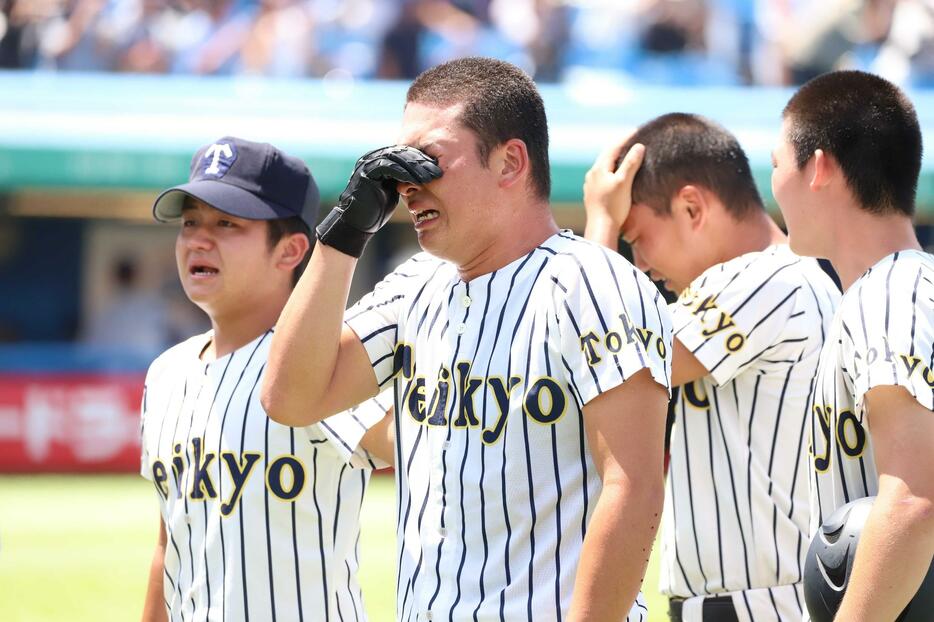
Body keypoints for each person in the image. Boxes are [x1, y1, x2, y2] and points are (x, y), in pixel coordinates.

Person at [262, 57, 673, 622]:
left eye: (426, 161)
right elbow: (290, 397)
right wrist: (345, 232)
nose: (404, 184)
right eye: (396, 164)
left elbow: (635, 486)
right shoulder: (415, 284)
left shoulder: (592, 282)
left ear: (510, 162)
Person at [583, 113, 841, 621]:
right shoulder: (782, 277)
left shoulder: (767, 277)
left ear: (691, 206)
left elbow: (598, 356)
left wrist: (602, 222)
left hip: (763, 607)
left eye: (638, 237)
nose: (639, 264)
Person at [139, 136, 392, 621]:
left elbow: (432, 451)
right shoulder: (165, 373)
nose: (198, 238)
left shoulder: (323, 365)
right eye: (190, 221)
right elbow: (169, 545)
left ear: (291, 250)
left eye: (226, 222)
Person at [771, 69, 934, 621]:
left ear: (818, 167)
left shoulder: (891, 294)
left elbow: (913, 502)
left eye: (775, 165)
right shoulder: (899, 288)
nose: (773, 185)